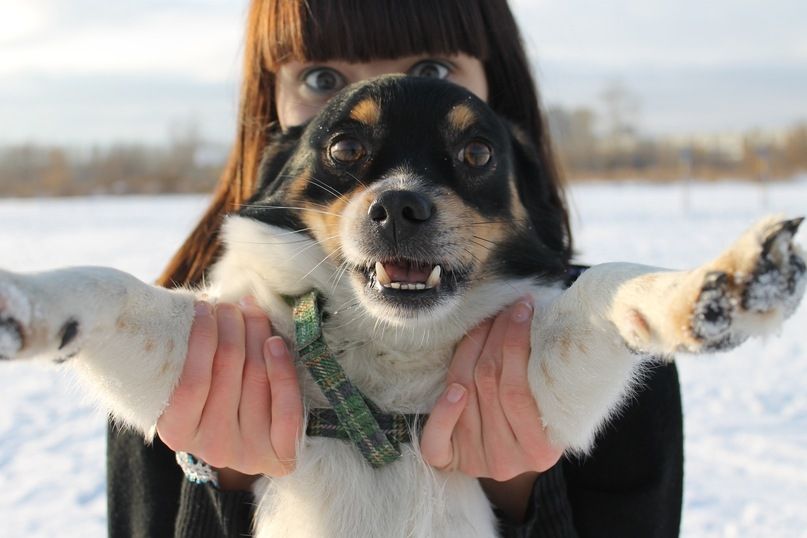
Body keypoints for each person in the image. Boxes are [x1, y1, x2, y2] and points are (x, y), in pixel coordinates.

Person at [107, 1, 683, 536]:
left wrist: (524, 489)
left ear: (494, 84)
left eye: (431, 70)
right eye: (321, 80)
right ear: (270, 109)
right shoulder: (167, 341)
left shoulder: (618, 334)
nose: (389, 99)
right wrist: (220, 479)